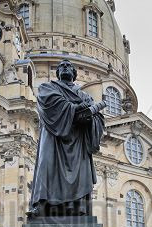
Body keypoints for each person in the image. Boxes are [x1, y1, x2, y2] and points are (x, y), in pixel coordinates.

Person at [27, 59, 105, 218]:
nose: (65, 67)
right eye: (62, 66)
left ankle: (76, 207)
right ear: (57, 72)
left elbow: (97, 118)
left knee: (79, 172)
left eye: (69, 66)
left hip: (77, 141)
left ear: (75, 74)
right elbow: (51, 105)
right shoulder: (47, 88)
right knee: (46, 165)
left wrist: (90, 118)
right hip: (53, 136)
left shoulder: (85, 95)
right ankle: (42, 205)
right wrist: (77, 109)